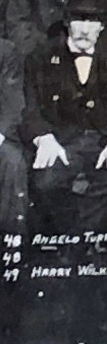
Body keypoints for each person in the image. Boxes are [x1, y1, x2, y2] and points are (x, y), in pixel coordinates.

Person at [22, 0, 107, 235]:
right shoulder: (41, 58)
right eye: (78, 20)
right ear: (66, 22)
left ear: (102, 25)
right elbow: (29, 107)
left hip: (103, 142)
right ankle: (72, 236)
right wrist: (44, 138)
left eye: (92, 21)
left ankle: (83, 236)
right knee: (45, 181)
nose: (85, 29)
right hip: (62, 141)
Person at [0, 34, 23, 236]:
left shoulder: (6, 50)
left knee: (12, 160)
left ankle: (10, 244)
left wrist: (0, 133)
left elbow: (13, 100)